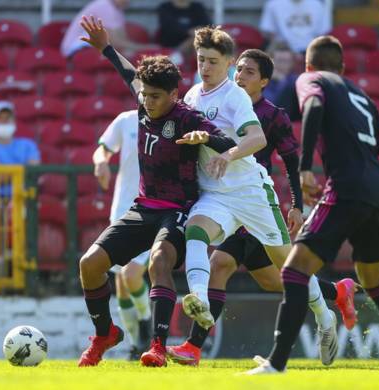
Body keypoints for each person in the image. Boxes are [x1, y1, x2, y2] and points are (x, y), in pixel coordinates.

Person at [166, 48, 357, 367]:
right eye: (238, 69)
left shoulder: (272, 114)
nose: (240, 75)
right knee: (221, 261)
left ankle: (328, 311)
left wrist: (296, 204)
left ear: (265, 81)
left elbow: (291, 158)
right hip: (222, 197)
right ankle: (194, 342)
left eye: (249, 72)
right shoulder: (208, 97)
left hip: (255, 200)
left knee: (279, 274)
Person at [245, 35, 379, 375]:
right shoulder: (363, 97)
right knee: (375, 280)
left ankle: (276, 364)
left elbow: (312, 107)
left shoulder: (311, 79)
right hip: (378, 195)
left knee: (294, 271)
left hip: (344, 189)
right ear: (342, 67)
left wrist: (305, 167)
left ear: (309, 65)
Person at [76, 15, 237, 368]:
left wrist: (209, 138)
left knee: (158, 261)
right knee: (89, 265)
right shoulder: (143, 100)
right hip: (143, 206)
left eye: (155, 97)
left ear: (174, 95)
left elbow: (229, 140)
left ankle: (158, 345)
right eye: (145, 95)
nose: (147, 101)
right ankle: (105, 334)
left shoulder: (187, 118)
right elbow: (126, 72)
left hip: (177, 209)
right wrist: (105, 46)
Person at [93, 110, 152, 359]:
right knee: (122, 284)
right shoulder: (125, 120)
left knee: (131, 274)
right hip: (121, 209)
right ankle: (135, 344)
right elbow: (103, 148)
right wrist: (101, 162)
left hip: (152, 209)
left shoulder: (173, 119)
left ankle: (146, 327)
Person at [0, 101, 40, 278]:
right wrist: (19, 169)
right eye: (0, 119)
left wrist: (2, 170)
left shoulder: (27, 145)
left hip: (23, 196)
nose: (4, 123)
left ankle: (22, 264)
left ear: (13, 121)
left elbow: (34, 172)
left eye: (7, 118)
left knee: (18, 209)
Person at [60, 0, 157, 57]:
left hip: (94, 48)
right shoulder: (105, 5)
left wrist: (137, 50)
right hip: (78, 50)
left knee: (127, 55)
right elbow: (116, 42)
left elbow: (122, 41)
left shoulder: (118, 11)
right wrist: (146, 49)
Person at [259, 0, 331, 53]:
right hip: (283, 50)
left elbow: (322, 35)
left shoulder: (318, 5)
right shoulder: (273, 4)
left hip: (311, 50)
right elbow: (268, 33)